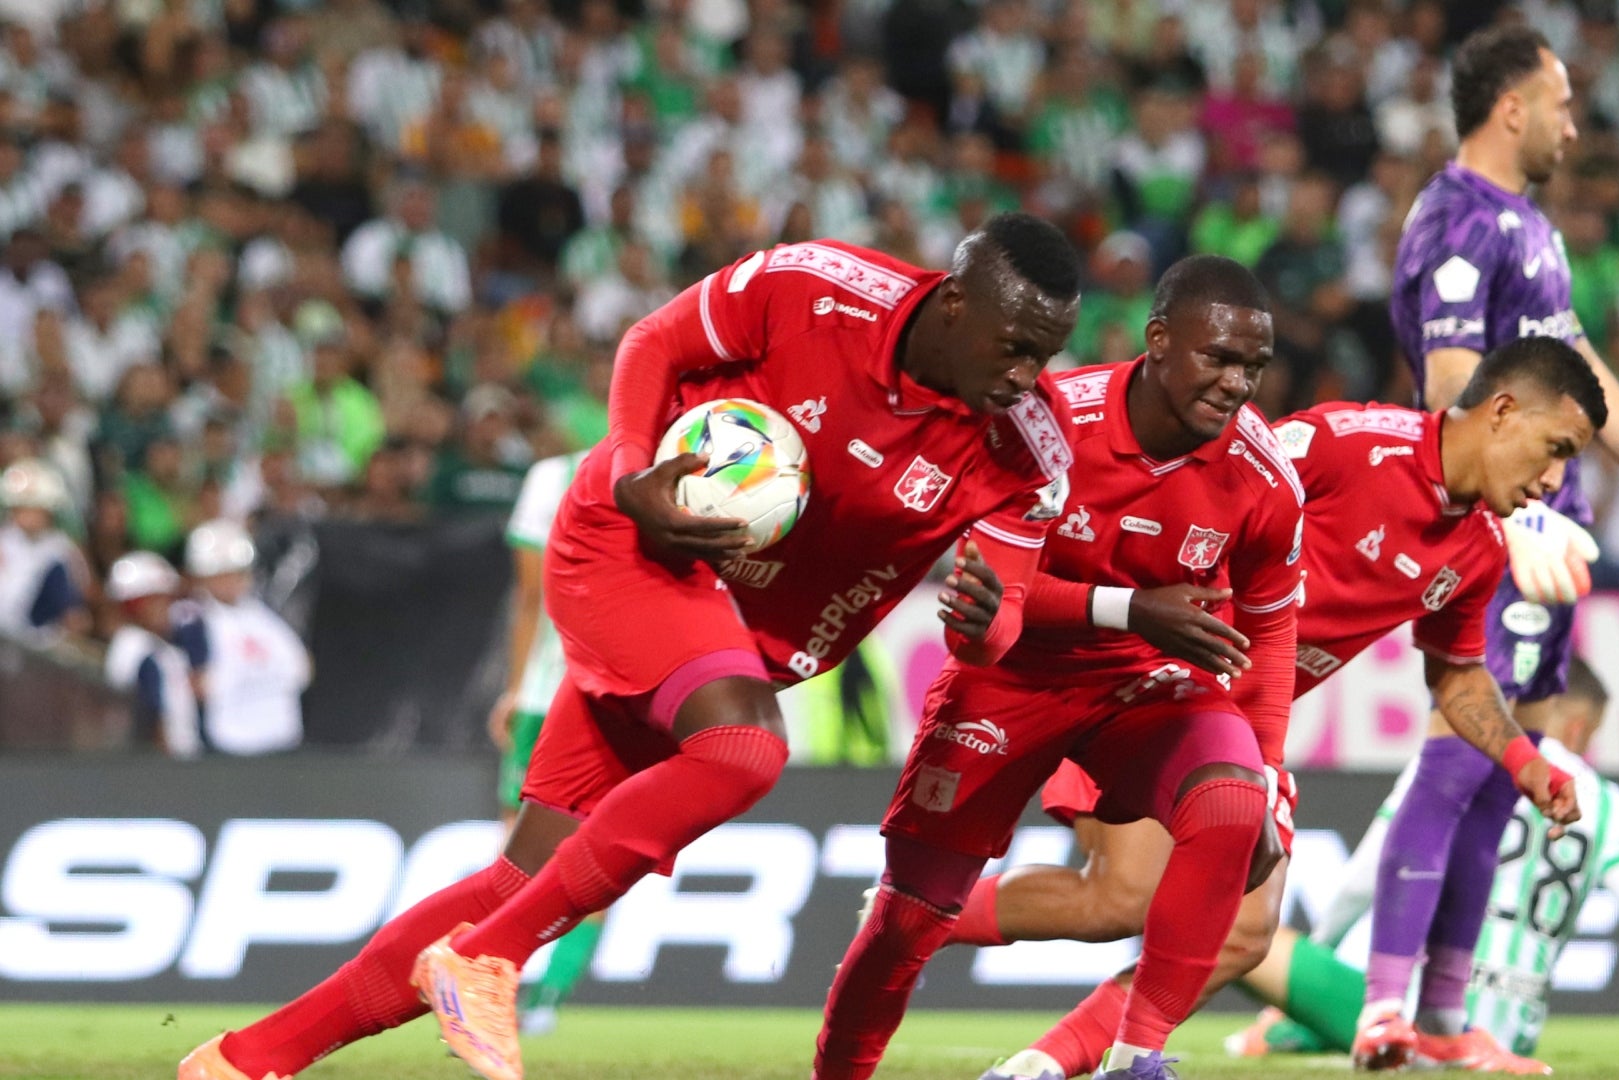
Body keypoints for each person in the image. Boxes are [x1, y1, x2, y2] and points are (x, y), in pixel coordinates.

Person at [180, 213, 1083, 1080]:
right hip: (632, 541)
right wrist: (627, 469)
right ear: (956, 302)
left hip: (734, 633)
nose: (1027, 374)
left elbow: (1000, 617)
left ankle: (246, 1058)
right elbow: (655, 342)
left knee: (520, 874)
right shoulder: (816, 286)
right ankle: (486, 962)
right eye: (1014, 346)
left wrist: (984, 622)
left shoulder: (1030, 449)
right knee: (745, 749)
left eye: (1045, 354)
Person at [958, 335, 1600, 1080]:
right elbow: (1209, 480)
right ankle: (915, 912)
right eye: (1555, 448)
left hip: (1246, 723)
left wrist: (1523, 762)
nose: (1555, 480)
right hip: (1154, 679)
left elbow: (1456, 675)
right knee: (1121, 899)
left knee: (1240, 934)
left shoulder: (1480, 549)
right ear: (1503, 411)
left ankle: (1042, 1063)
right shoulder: (1348, 444)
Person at [814, 256, 1305, 1080]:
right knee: (909, 918)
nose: (1237, 384)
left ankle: (1135, 1058)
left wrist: (1271, 772)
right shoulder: (1048, 426)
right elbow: (993, 592)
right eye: (1217, 357)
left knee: (1231, 798)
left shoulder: (1264, 478)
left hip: (1146, 683)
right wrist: (1129, 608)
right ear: (1158, 341)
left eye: (1253, 366)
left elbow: (1272, 633)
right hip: (1013, 675)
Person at [1373, 23, 1619, 1070]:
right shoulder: (1454, 220)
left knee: (1507, 776)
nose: (1576, 124)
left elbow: (1575, 367)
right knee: (1456, 763)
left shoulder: (1530, 227)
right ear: (1512, 108)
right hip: (1500, 535)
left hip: (1551, 529)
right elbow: (1450, 390)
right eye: (1563, 102)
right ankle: (1385, 1012)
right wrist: (1514, 513)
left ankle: (1443, 1027)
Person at [1224, 659, 1619, 1061]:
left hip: (1417, 1018)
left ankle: (1285, 1029)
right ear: (1573, 726)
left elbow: (1361, 883)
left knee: (1236, 928)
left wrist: (1308, 969)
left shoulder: (1453, 758)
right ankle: (1291, 1036)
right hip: (1510, 1033)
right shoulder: (1609, 805)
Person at [486, 448, 600, 1036]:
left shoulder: (553, 476)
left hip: (557, 694)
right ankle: (528, 992)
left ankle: (523, 989)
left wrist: (513, 690)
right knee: (599, 856)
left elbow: (531, 598)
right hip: (600, 696)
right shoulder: (679, 463)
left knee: (526, 852)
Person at [172, 520, 311, 756]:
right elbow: (194, 684)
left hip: (280, 742)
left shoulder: (262, 614)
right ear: (200, 577)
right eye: (221, 574)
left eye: (237, 573)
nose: (232, 581)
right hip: (227, 746)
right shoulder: (193, 619)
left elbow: (304, 668)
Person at [102, 551, 199, 759]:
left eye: (167, 601)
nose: (165, 609)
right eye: (155, 601)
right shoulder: (137, 648)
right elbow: (150, 721)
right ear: (132, 606)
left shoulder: (155, 646)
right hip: (162, 769)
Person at [0, 458, 86, 644]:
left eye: (35, 507)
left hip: (40, 645)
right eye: (23, 507)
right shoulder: (4, 541)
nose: (29, 515)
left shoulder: (61, 550)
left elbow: (73, 612)